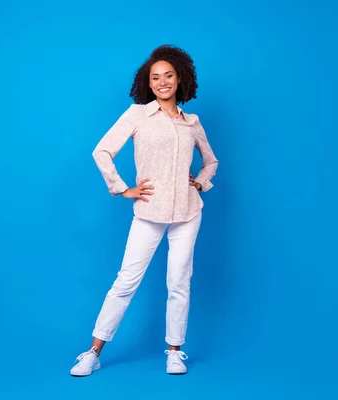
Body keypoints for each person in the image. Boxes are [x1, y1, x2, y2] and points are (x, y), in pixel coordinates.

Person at [70, 44, 218, 376]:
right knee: (126, 281)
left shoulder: (192, 123)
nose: (162, 82)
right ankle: (93, 352)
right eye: (156, 78)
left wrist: (200, 181)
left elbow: (211, 161)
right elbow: (102, 152)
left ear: (179, 79)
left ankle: (174, 351)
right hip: (149, 211)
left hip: (188, 212)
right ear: (148, 84)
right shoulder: (137, 114)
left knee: (179, 281)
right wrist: (123, 188)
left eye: (168, 75)